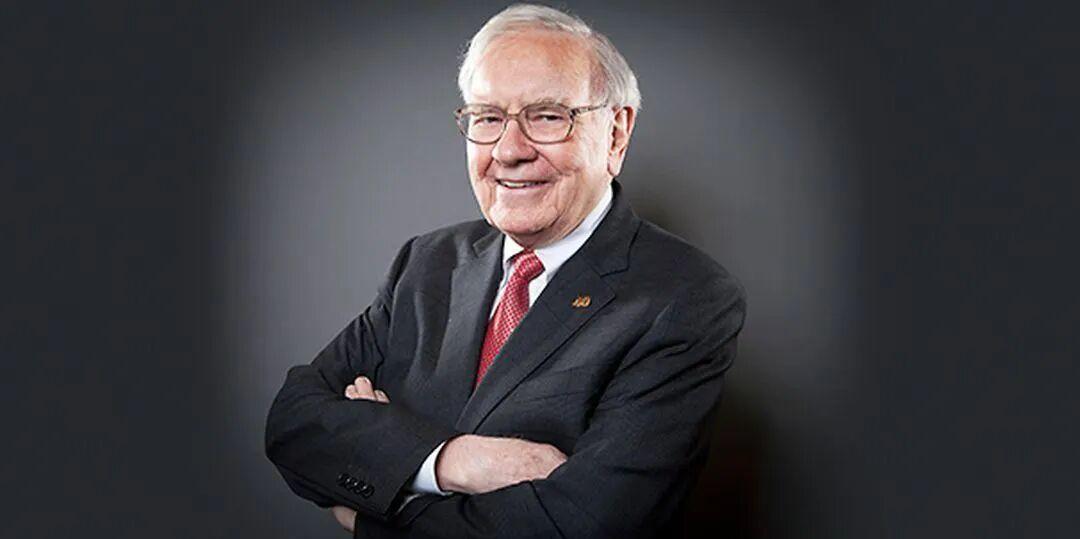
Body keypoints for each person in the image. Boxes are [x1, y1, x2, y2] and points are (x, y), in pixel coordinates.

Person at [265, 4, 746, 538]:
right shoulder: (426, 264)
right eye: (488, 118)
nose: (510, 151)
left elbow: (583, 525)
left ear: (616, 134)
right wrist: (456, 460)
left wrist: (371, 505)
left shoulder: (685, 297)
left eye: (548, 116)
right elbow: (293, 422)